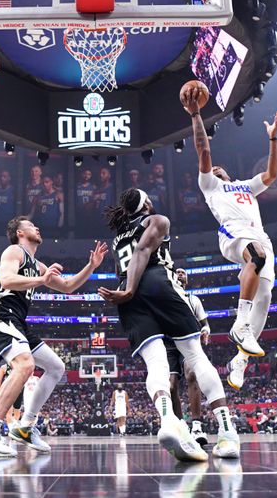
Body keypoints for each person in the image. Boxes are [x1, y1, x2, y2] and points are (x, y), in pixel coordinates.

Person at [99, 189, 240, 461]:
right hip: (152, 282)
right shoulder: (157, 220)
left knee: (156, 364)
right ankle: (227, 432)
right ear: (147, 204)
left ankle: (168, 421)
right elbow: (143, 250)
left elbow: (135, 253)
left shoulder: (117, 238)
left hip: (129, 299)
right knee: (196, 356)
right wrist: (130, 288)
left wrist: (128, 292)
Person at [0, 216, 108, 457]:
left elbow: (67, 286)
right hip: (2, 312)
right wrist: (41, 280)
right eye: (30, 225)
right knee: (25, 365)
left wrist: (91, 267)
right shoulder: (14, 251)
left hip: (19, 321)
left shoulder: (38, 264)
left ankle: (25, 426)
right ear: (19, 233)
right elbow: (7, 280)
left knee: (56, 367)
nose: (36, 227)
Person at [182, 86, 277, 390]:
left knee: (264, 300)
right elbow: (203, 150)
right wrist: (196, 115)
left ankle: (240, 360)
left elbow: (273, 174)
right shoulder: (211, 185)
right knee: (255, 256)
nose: (214, 167)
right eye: (211, 168)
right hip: (232, 233)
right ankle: (240, 323)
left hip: (259, 237)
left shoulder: (245, 186)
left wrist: (273, 138)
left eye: (218, 168)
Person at [165, 267, 212, 445]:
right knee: (171, 387)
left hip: (188, 341)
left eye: (183, 272)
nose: (179, 273)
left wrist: (205, 331)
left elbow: (205, 324)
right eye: (176, 272)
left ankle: (197, 426)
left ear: (187, 280)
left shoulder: (193, 300)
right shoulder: (165, 298)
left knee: (192, 375)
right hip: (169, 343)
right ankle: (181, 427)